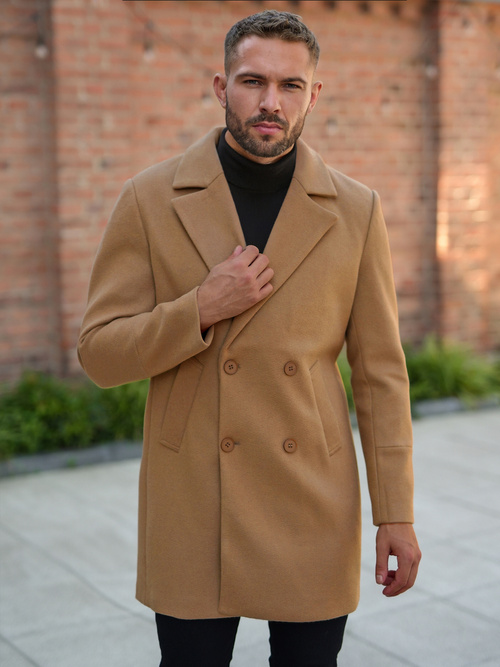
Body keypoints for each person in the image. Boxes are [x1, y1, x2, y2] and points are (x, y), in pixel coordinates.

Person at [78, 9, 421, 666]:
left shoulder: (356, 210)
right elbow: (99, 353)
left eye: (291, 85)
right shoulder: (150, 198)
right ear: (221, 87)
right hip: (194, 494)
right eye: (252, 81)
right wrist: (199, 309)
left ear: (313, 96)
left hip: (311, 492)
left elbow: (381, 372)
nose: (271, 102)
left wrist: (395, 512)